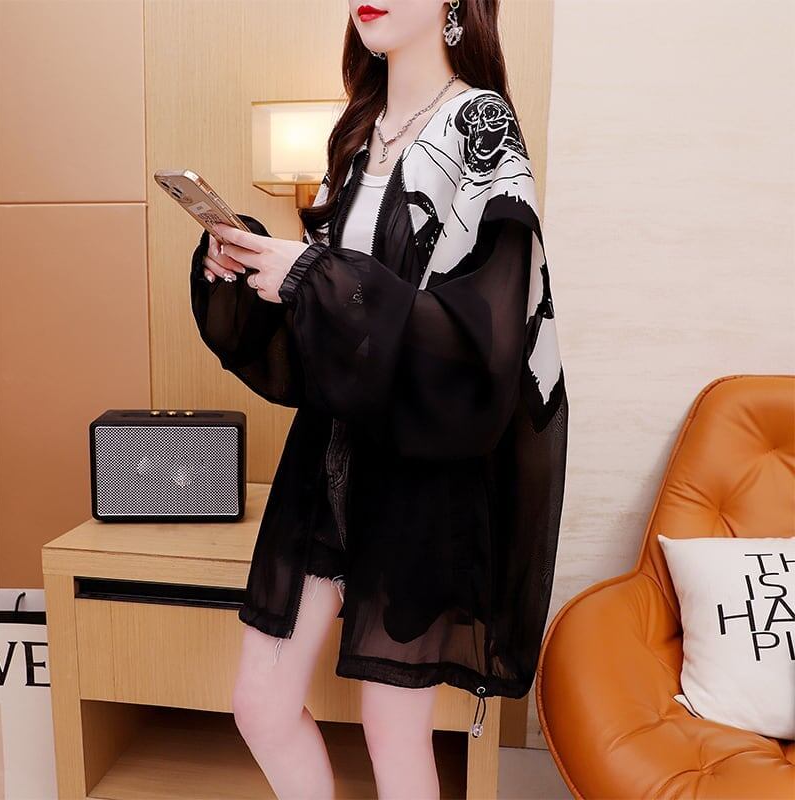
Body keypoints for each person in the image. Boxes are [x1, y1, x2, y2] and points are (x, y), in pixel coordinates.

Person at [190, 1, 569, 797]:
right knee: (260, 705)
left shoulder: (481, 125)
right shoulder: (356, 134)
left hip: (423, 472)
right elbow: (330, 337)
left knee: (393, 733)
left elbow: (485, 333)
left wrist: (316, 277)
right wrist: (260, 271)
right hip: (327, 464)